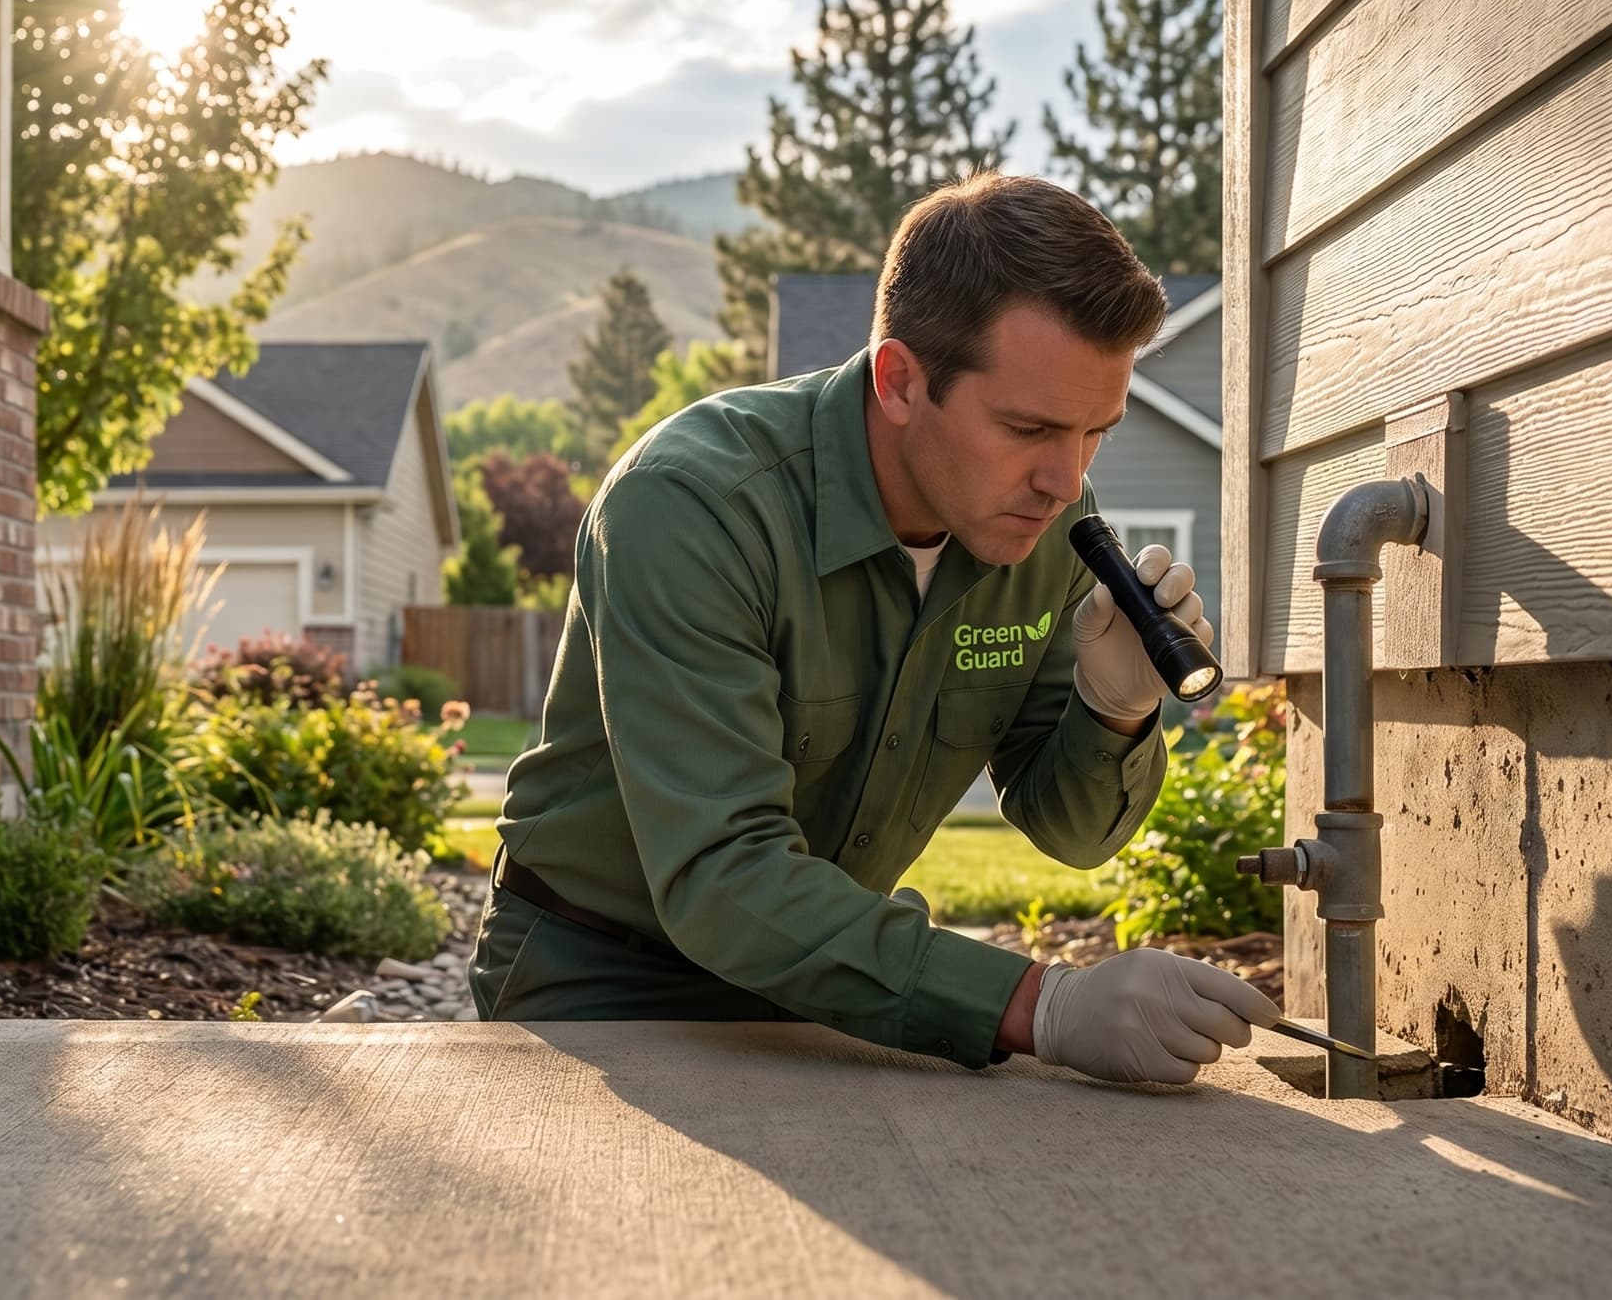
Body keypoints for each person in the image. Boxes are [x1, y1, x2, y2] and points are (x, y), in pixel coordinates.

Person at [465, 171, 1277, 1085]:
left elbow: (1072, 831)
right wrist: (1040, 1004)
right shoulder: (694, 506)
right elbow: (724, 877)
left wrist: (1114, 709)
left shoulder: (1043, 525)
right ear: (899, 380)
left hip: (837, 984)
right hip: (606, 983)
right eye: (1028, 427)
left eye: (1098, 432)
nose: (1065, 478)